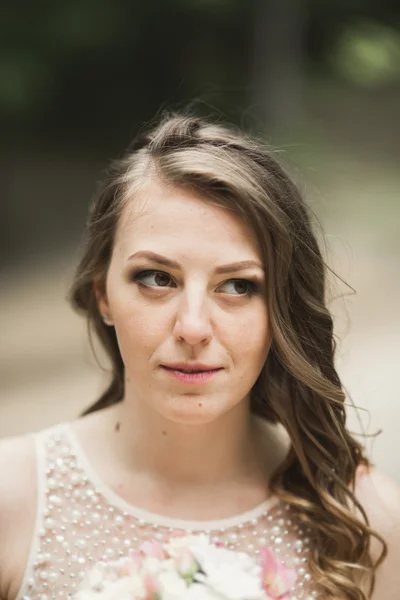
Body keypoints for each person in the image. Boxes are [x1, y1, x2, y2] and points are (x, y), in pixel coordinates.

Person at [0, 113, 399, 600]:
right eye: (156, 278)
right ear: (102, 291)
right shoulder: (11, 500)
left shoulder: (367, 523)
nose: (192, 327)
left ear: (281, 309)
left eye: (237, 285)